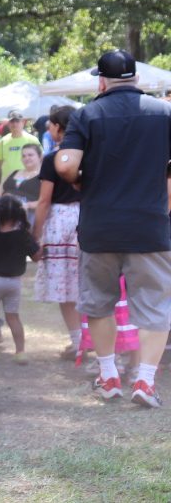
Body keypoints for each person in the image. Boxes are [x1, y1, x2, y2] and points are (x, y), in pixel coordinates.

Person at [55, 49, 171, 408]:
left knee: (99, 303)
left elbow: (66, 166)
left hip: (100, 226)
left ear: (102, 82)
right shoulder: (163, 113)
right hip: (149, 226)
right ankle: (145, 381)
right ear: (136, 77)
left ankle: (108, 377)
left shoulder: (86, 114)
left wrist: (79, 179)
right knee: (156, 305)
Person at [32, 105, 84, 360]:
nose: (49, 129)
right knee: (86, 284)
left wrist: (35, 235)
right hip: (86, 218)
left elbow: (44, 200)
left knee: (66, 289)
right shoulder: (88, 155)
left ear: (58, 127)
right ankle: (91, 339)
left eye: (51, 125)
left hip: (59, 222)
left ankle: (78, 342)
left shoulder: (52, 158)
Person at [0, 196, 39, 364]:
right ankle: (20, 352)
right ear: (19, 214)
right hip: (14, 283)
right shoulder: (23, 236)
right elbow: (36, 257)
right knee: (13, 317)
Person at [0, 111, 41, 190]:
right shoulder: (2, 141)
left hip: (28, 182)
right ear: (8, 123)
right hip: (7, 183)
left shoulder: (32, 140)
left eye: (17, 121)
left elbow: (41, 160)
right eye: (12, 121)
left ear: (23, 122)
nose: (15, 124)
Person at [0, 143, 42, 219]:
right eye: (23, 156)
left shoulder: (44, 176)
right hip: (5, 213)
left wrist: (27, 205)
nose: (26, 158)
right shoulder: (13, 172)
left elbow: (46, 201)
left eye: (30, 155)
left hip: (28, 215)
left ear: (40, 157)